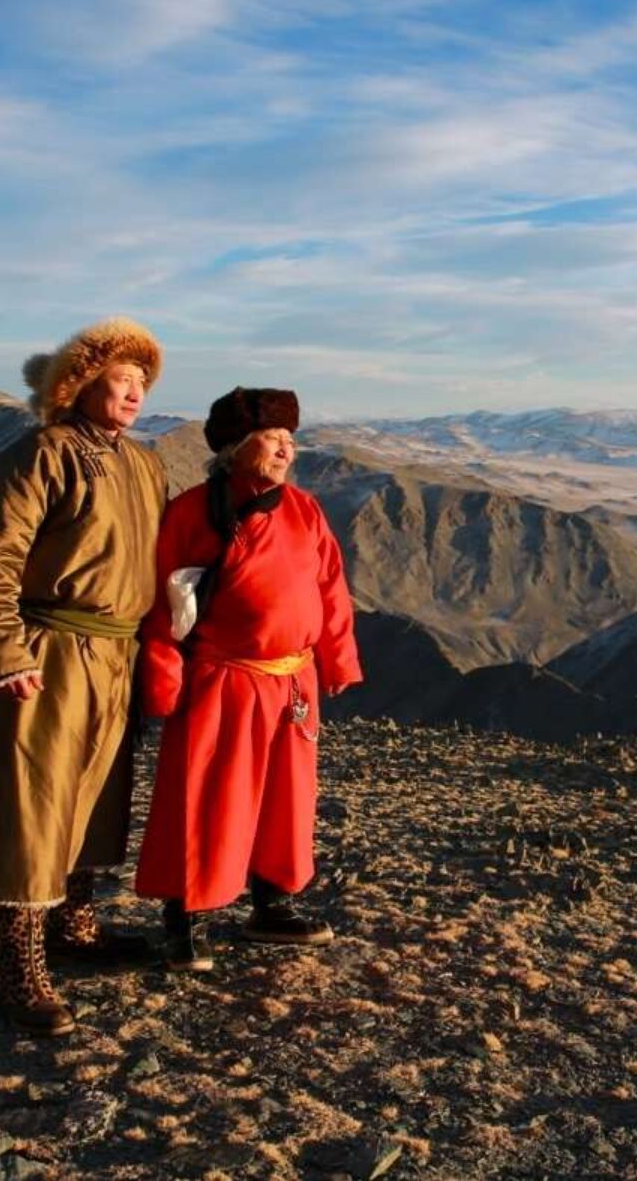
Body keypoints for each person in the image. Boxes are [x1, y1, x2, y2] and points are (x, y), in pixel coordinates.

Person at [0, 316, 169, 1036]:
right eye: (122, 379)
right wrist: (6, 655)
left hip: (119, 655)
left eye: (142, 382)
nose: (135, 392)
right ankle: (20, 968)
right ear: (79, 385)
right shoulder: (41, 455)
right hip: (50, 651)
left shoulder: (145, 464)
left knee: (97, 795)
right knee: (33, 801)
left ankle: (76, 928)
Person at [134, 386, 362, 971]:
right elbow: (162, 601)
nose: (287, 448)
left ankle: (271, 904)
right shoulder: (191, 512)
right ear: (235, 447)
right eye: (273, 438)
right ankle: (185, 916)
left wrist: (336, 659)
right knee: (209, 798)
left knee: (285, 801)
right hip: (222, 681)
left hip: (292, 684)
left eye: (291, 439)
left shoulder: (305, 509)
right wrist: (162, 678)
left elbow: (330, 588)